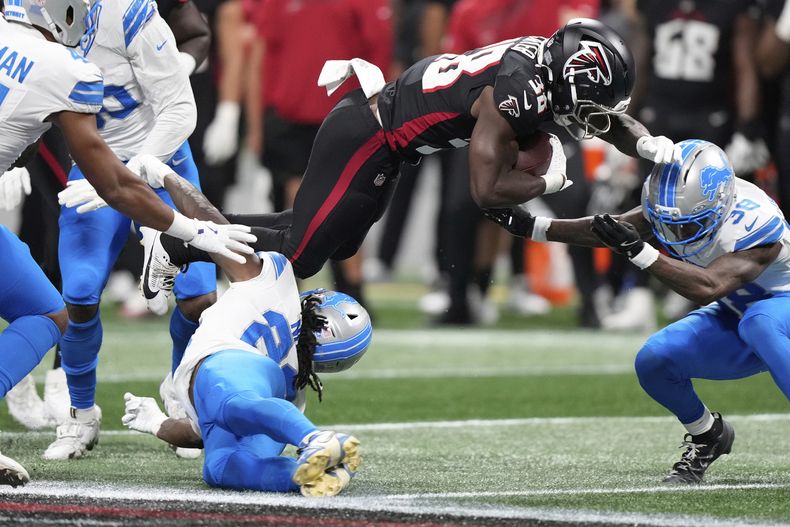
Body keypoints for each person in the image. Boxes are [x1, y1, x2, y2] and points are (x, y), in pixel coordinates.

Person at [133, 18, 684, 307]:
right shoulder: (513, 94)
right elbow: (486, 192)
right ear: (568, 78)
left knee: (328, 242)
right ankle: (179, 240)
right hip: (367, 134)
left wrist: (647, 144)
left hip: (389, 144)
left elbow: (604, 119)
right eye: (586, 99)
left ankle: (186, 233)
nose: (589, 117)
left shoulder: (541, 74)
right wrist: (546, 178)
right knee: (301, 253)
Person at [0, 0, 252, 484]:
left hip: (159, 163)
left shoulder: (131, 14)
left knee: (197, 296)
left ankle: (183, 402)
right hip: (98, 166)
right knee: (74, 296)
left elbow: (179, 106)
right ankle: (80, 413)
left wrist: (139, 167)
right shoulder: (60, 62)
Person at [486, 139, 790, 484]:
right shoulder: (678, 203)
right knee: (654, 360)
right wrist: (531, 227)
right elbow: (610, 228)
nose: (677, 232)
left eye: (689, 224)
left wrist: (639, 251)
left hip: (777, 313)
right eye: (670, 221)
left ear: (720, 203)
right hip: (742, 316)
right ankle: (709, 435)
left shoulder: (754, 222)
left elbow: (708, 288)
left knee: (760, 322)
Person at [121, 161, 369, 497]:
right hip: (232, 393)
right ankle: (304, 474)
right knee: (219, 467)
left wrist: (166, 176)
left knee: (231, 403)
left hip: (224, 366)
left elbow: (211, 221)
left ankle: (315, 439)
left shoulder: (274, 279)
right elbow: (198, 434)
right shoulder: (294, 393)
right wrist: (156, 424)